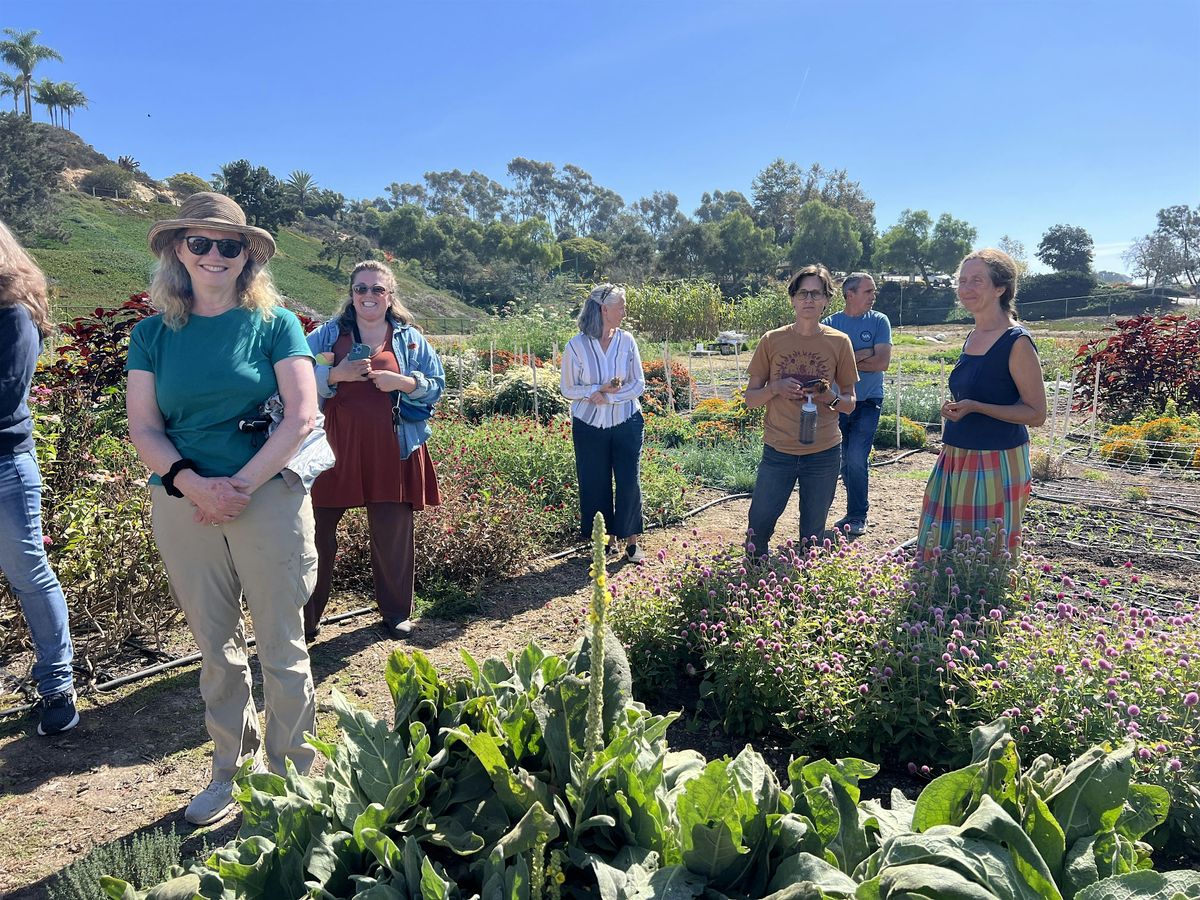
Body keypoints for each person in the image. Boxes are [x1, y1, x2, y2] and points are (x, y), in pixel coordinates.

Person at [126, 193, 319, 826]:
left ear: (247, 257)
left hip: (267, 495)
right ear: (179, 251)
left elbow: (302, 415)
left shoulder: (276, 325)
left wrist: (236, 484)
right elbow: (145, 428)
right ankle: (228, 772)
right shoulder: (151, 335)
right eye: (200, 243)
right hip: (185, 505)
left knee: (282, 643)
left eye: (227, 245)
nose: (213, 255)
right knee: (216, 646)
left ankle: (292, 774)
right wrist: (193, 484)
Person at [304, 261, 443, 641]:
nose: (368, 296)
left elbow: (436, 385)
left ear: (390, 295)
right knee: (314, 535)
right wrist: (335, 375)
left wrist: (404, 381)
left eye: (376, 289)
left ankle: (396, 613)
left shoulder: (410, 339)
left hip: (391, 446)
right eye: (361, 289)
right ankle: (306, 620)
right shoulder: (327, 335)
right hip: (332, 447)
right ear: (351, 294)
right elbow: (294, 374)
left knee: (392, 535)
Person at [0, 220, 78, 737]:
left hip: (3, 464)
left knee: (29, 575)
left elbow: (4, 395)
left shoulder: (13, 316)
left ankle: (58, 688)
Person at [917, 248, 1047, 557]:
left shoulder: (1016, 341)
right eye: (962, 280)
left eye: (977, 280)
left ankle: (977, 606)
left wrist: (977, 407)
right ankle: (941, 602)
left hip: (996, 459)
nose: (966, 288)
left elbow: (1037, 413)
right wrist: (959, 406)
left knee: (982, 551)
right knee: (944, 544)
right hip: (956, 454)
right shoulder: (973, 335)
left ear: (1000, 288)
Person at [745, 264, 859, 552]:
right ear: (793, 299)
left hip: (823, 452)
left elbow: (849, 403)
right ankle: (754, 578)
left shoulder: (839, 342)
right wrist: (775, 388)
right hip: (778, 450)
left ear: (826, 300)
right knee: (758, 526)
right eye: (802, 293)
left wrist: (827, 397)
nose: (809, 299)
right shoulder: (772, 340)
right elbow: (751, 398)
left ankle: (805, 587)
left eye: (816, 294)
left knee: (812, 533)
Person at [560, 284, 647, 562]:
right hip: (589, 426)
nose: (624, 311)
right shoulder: (576, 346)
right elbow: (567, 388)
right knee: (594, 481)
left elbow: (638, 384)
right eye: (620, 306)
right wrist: (594, 390)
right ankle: (606, 541)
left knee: (628, 481)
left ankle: (632, 542)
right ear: (603, 309)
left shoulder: (627, 341)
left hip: (626, 422)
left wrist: (607, 397)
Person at [823, 272, 891, 536]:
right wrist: (862, 354)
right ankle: (853, 510)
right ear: (849, 294)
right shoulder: (830, 323)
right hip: (838, 402)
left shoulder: (879, 321)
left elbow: (881, 362)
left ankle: (857, 515)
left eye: (873, 292)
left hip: (868, 401)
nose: (874, 296)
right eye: (868, 291)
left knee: (855, 457)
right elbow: (828, 366)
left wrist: (846, 359)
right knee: (843, 460)